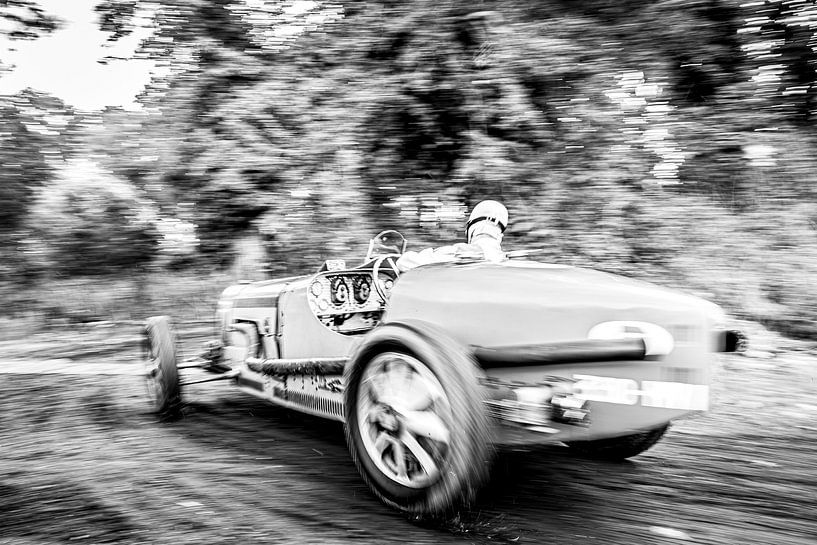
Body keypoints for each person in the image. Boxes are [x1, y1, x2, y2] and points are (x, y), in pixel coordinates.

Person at [395, 200, 509, 271]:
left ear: (471, 230)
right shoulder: (505, 260)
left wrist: (403, 257)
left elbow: (405, 262)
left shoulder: (462, 252)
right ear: (500, 235)